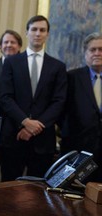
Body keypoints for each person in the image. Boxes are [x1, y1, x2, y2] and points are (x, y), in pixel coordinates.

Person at [0, 15, 67, 181]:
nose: (38, 33)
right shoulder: (11, 62)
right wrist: (25, 122)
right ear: (27, 33)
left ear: (47, 35)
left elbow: (59, 101)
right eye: (34, 29)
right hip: (14, 137)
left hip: (43, 141)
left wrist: (35, 126)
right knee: (8, 188)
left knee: (37, 193)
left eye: (42, 30)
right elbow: (5, 97)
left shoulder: (58, 66)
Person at [60, 32, 102, 182]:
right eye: (92, 50)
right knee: (74, 193)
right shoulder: (72, 77)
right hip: (78, 149)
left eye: (101, 49)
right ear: (85, 53)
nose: (97, 53)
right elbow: (61, 111)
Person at [0, 29, 22, 183]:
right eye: (5, 42)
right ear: (0, 46)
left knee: (10, 178)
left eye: (13, 42)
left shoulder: (24, 69)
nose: (9, 45)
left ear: (20, 46)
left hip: (14, 131)